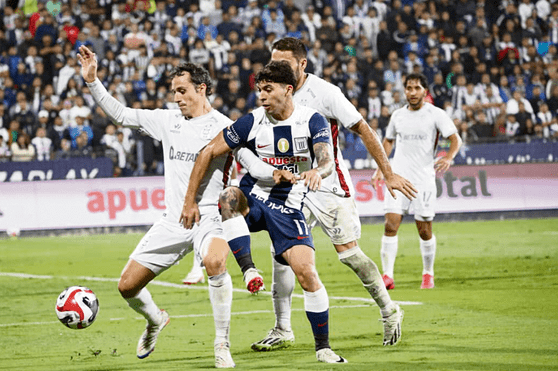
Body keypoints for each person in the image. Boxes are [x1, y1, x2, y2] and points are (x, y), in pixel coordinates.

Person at [214, 37, 415, 351]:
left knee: (349, 253)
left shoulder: (326, 93)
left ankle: (389, 309)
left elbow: (361, 127)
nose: (276, 68)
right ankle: (282, 328)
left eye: (284, 63)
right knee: (282, 256)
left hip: (327, 184)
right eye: (273, 62)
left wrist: (387, 172)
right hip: (287, 187)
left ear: (302, 64)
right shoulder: (273, 90)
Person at [78, 45, 236, 368]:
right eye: (173, 92)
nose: (176, 98)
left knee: (216, 260)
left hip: (208, 218)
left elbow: (249, 161)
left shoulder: (225, 126)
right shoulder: (167, 121)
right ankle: (155, 320)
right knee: (127, 286)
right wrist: (93, 81)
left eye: (182, 91)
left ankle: (222, 343)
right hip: (174, 221)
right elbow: (121, 114)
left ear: (201, 88)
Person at [181, 60, 346, 364]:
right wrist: (190, 199)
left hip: (290, 205)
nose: (262, 96)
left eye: (268, 90)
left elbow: (326, 161)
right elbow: (208, 151)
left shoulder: (313, 120)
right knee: (229, 195)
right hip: (255, 197)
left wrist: (317, 173)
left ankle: (323, 348)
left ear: (288, 89)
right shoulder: (251, 122)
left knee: (307, 273)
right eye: (259, 90)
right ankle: (248, 270)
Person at [372, 73, 461, 290]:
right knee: (390, 225)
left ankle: (428, 273)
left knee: (424, 230)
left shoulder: (436, 114)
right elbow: (388, 141)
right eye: (409, 88)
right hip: (398, 178)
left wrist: (449, 157)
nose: (412, 92)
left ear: (425, 91)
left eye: (417, 88)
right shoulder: (398, 116)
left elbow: (455, 139)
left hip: (423, 180)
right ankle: (388, 276)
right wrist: (381, 169)